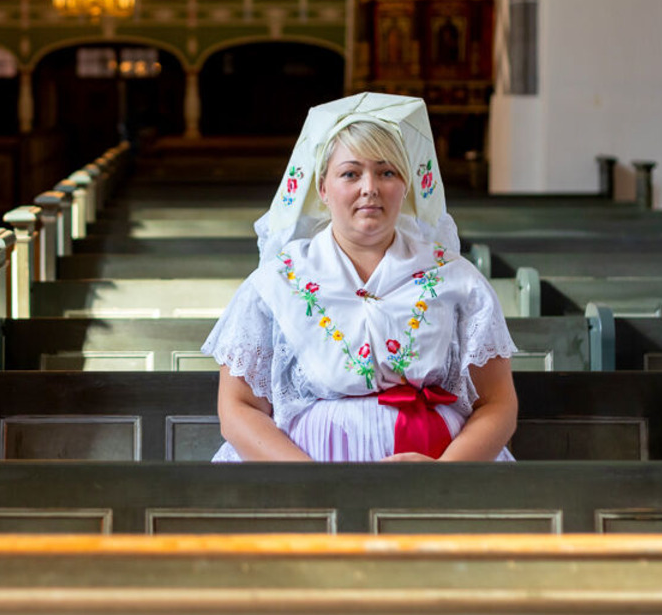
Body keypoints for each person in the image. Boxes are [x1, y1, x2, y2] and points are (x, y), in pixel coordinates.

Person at [203, 93, 518, 461]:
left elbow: (497, 404)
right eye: (350, 173)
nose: (370, 188)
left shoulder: (456, 278)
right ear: (322, 189)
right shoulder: (276, 283)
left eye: (387, 172)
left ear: (406, 186)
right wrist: (312, 482)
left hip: (438, 479)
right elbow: (238, 409)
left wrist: (443, 474)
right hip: (304, 483)